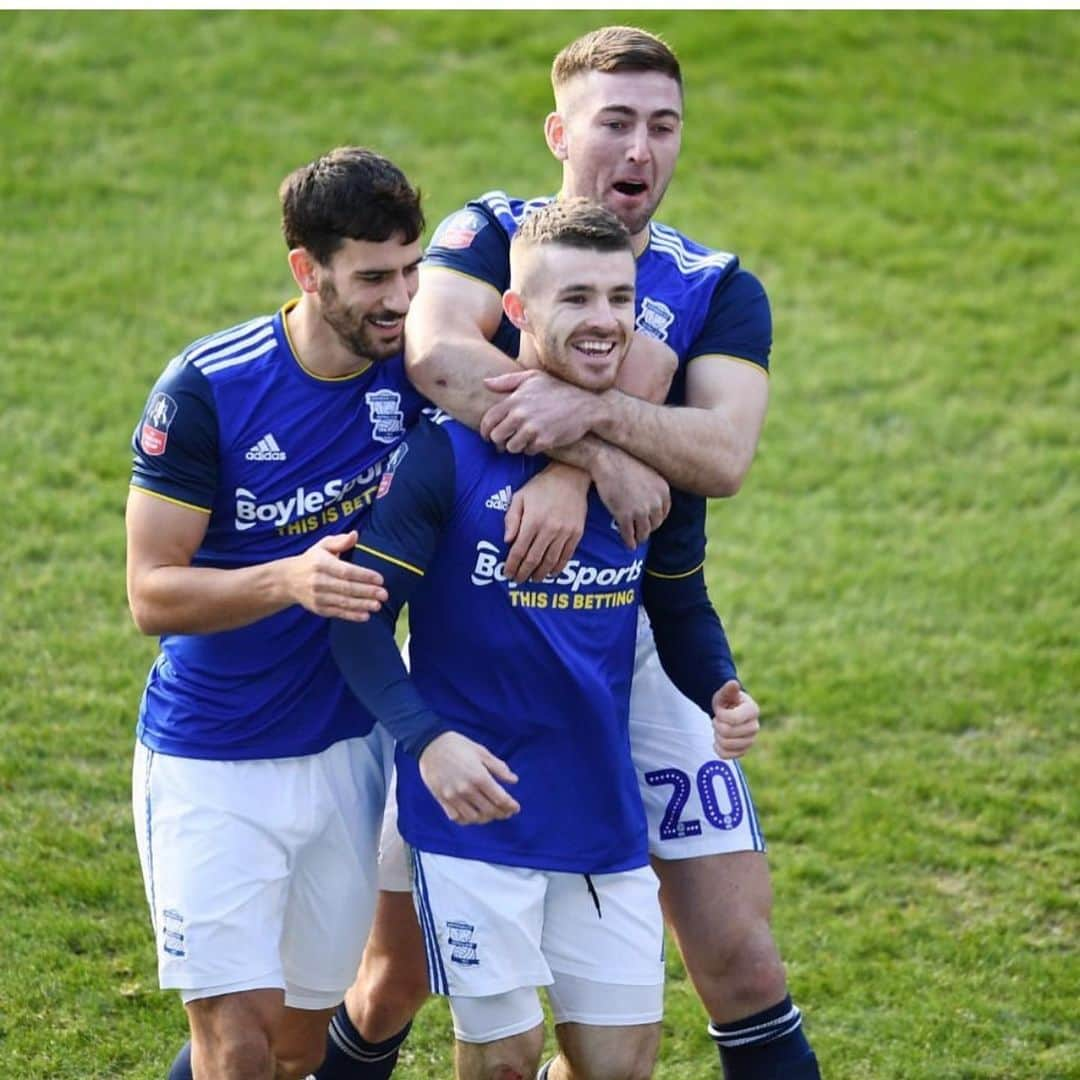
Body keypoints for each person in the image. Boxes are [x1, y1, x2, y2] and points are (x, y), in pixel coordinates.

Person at [316, 26, 820, 1080]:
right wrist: (607, 445)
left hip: (631, 647)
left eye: (663, 127)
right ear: (561, 132)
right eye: (616, 123)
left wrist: (574, 459)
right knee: (396, 978)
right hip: (484, 647)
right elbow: (440, 358)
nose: (640, 150)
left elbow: (721, 453)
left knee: (738, 956)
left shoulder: (718, 285)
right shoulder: (490, 232)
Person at [127, 147, 436, 1080]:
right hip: (213, 758)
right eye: (375, 277)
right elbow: (151, 592)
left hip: (348, 752)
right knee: (236, 1037)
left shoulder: (420, 366)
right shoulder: (207, 390)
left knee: (298, 1046)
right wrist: (286, 579)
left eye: (413, 268)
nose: (401, 297)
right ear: (307, 270)